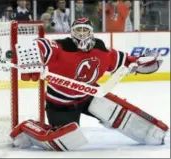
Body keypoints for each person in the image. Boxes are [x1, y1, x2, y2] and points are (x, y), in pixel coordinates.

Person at [10, 18, 168, 151]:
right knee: (67, 141)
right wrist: (30, 53)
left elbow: (127, 61)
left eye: (85, 30)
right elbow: (42, 46)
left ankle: (148, 130)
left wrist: (140, 63)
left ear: (91, 32)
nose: (82, 34)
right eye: (78, 30)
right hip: (60, 103)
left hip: (88, 97)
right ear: (72, 32)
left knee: (112, 111)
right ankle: (27, 129)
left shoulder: (102, 51)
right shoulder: (61, 46)